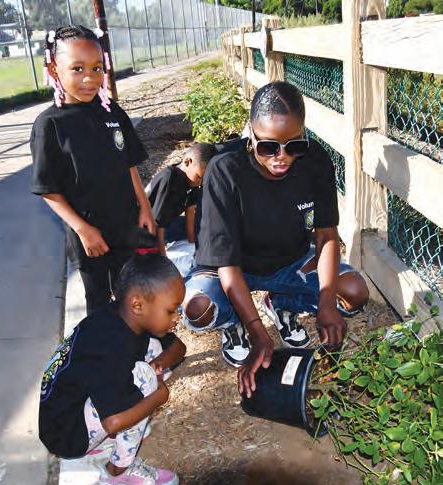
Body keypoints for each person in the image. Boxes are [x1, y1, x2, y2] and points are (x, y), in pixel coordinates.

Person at [181, 81, 369, 398]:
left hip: (289, 262)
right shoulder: (225, 170)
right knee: (198, 309)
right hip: (233, 268)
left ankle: (280, 304)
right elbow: (226, 263)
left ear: (303, 134)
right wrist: (258, 333)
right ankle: (234, 322)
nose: (281, 157)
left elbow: (326, 235)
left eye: (294, 145)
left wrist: (326, 303)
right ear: (250, 135)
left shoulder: (315, 161)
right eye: (268, 147)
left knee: (353, 293)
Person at [30, 25, 155, 315]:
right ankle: (102, 342)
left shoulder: (112, 112)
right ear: (54, 69)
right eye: (77, 69)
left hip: (125, 225)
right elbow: (49, 190)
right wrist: (83, 230)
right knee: (99, 301)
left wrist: (145, 208)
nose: (89, 78)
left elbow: (129, 164)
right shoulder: (50, 125)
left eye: (97, 68)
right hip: (89, 235)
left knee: (131, 291)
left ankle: (135, 339)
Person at [38, 254, 185, 485]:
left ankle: (122, 429)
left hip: (68, 408)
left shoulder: (124, 315)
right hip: (67, 436)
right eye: (171, 311)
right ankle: (118, 472)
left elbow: (178, 348)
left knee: (153, 353)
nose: (177, 318)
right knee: (146, 382)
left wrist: (158, 363)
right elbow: (113, 422)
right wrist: (157, 397)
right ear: (137, 304)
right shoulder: (112, 348)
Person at [145, 142, 217, 254]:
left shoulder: (192, 181)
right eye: (199, 177)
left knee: (204, 225)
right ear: (187, 162)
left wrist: (192, 242)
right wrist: (163, 257)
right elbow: (158, 222)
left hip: (167, 222)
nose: (200, 183)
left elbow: (190, 210)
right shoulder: (169, 179)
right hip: (147, 228)